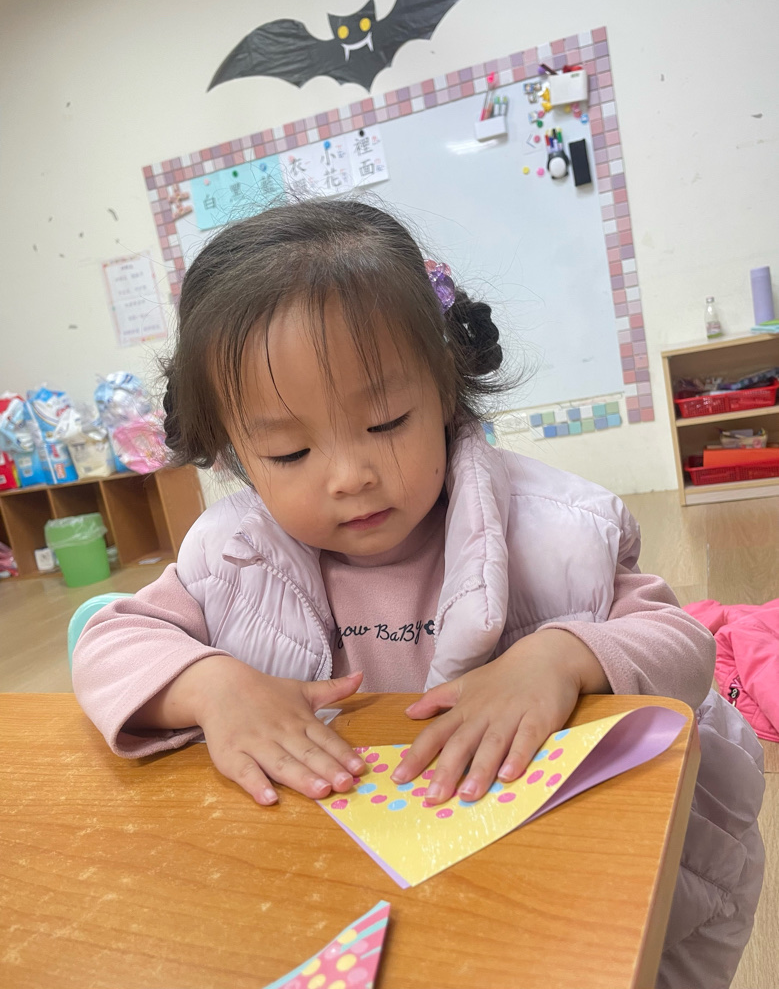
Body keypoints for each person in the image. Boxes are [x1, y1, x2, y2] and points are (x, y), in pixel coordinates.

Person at [72, 200, 764, 989]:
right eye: (289, 451)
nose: (349, 476)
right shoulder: (231, 553)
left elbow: (682, 644)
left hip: (575, 870)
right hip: (365, 868)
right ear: (233, 453)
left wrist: (561, 657)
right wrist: (211, 686)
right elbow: (109, 641)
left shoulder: (552, 528)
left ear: (444, 388)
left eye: (386, 422)